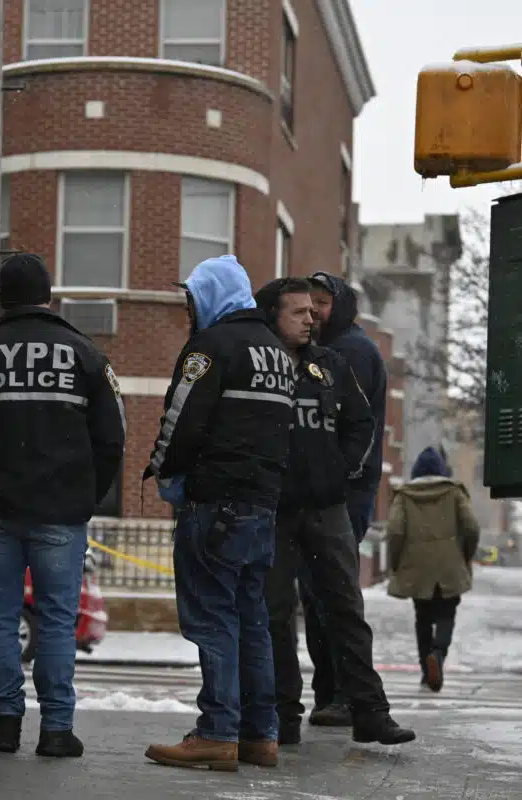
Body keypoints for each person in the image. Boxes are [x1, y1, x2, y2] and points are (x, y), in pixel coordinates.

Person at [0, 253, 126, 756]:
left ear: (2, 296)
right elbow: (112, 438)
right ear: (49, 295)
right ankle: (57, 729)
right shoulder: (84, 353)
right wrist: (85, 495)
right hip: (61, 511)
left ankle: (3, 725)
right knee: (58, 620)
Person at [143, 256, 292, 772]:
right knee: (253, 619)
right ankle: (260, 734)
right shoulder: (278, 352)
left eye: (193, 297)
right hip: (261, 505)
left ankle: (216, 731)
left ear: (212, 295)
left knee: (213, 619)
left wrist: (161, 472)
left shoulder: (211, 347)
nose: (190, 306)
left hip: (215, 504)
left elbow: (180, 419)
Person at [254, 278, 415, 748]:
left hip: (326, 508)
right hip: (274, 509)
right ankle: (282, 716)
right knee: (276, 612)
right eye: (300, 311)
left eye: (315, 310)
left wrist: (336, 472)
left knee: (346, 608)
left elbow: (361, 423)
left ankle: (370, 711)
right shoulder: (257, 363)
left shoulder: (332, 364)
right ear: (272, 316)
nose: (312, 318)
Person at [302, 270, 390, 727]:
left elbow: (346, 426)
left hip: (342, 495)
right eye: (308, 301)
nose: (314, 309)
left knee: (330, 595)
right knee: (320, 595)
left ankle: (340, 695)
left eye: (322, 301)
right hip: (332, 492)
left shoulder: (349, 352)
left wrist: (333, 478)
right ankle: (331, 694)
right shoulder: (332, 348)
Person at [386, 446, 481, 692]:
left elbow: (395, 531)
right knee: (447, 614)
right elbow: (471, 526)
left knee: (423, 618)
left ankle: (425, 670)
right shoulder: (454, 492)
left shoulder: (404, 496)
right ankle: (438, 653)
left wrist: (396, 562)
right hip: (450, 564)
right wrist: (465, 554)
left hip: (417, 567)